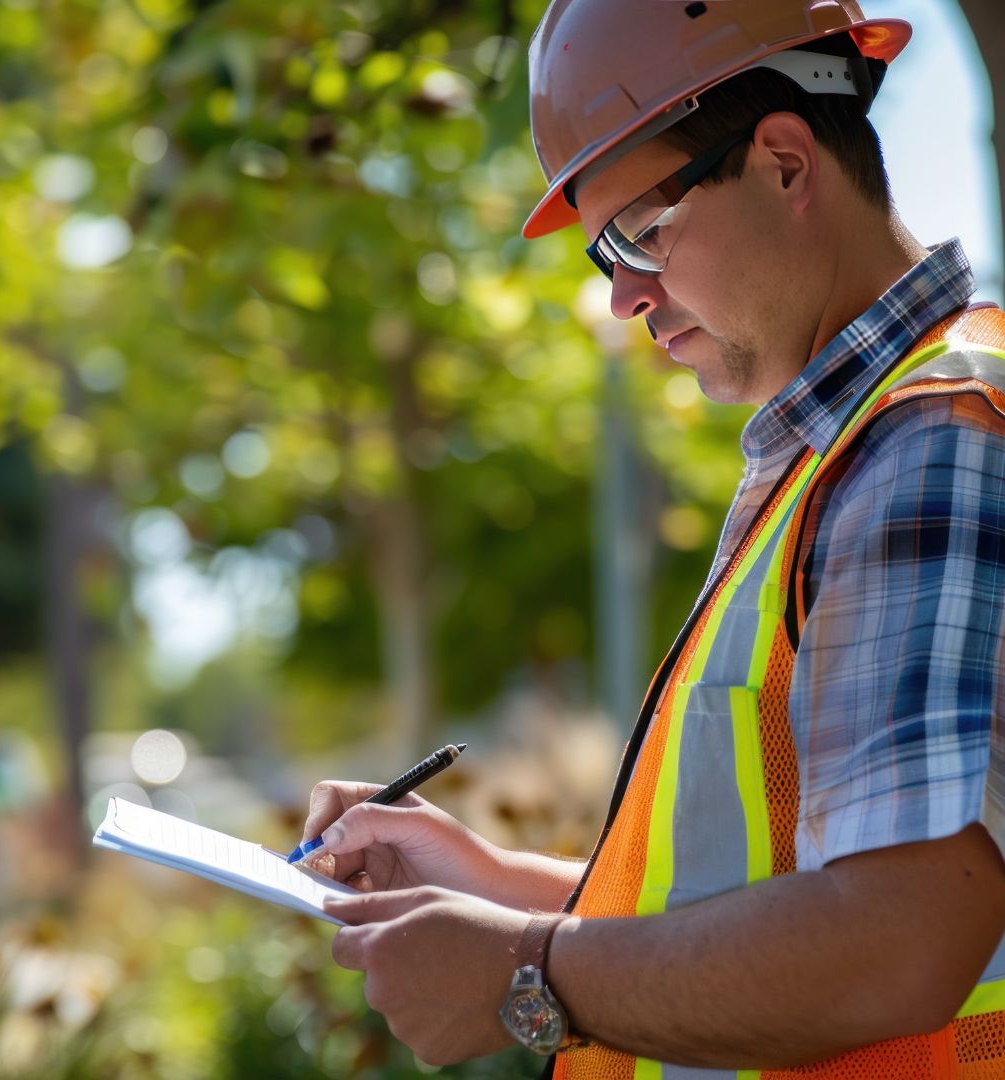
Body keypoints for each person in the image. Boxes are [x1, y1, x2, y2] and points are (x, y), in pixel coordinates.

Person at [310, 2, 1005, 1076]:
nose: (627, 295)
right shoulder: (842, 453)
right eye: (604, 255)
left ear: (782, 162)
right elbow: (763, 895)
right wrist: (487, 886)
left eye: (642, 230)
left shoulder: (928, 443)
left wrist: (527, 974)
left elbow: (901, 939)